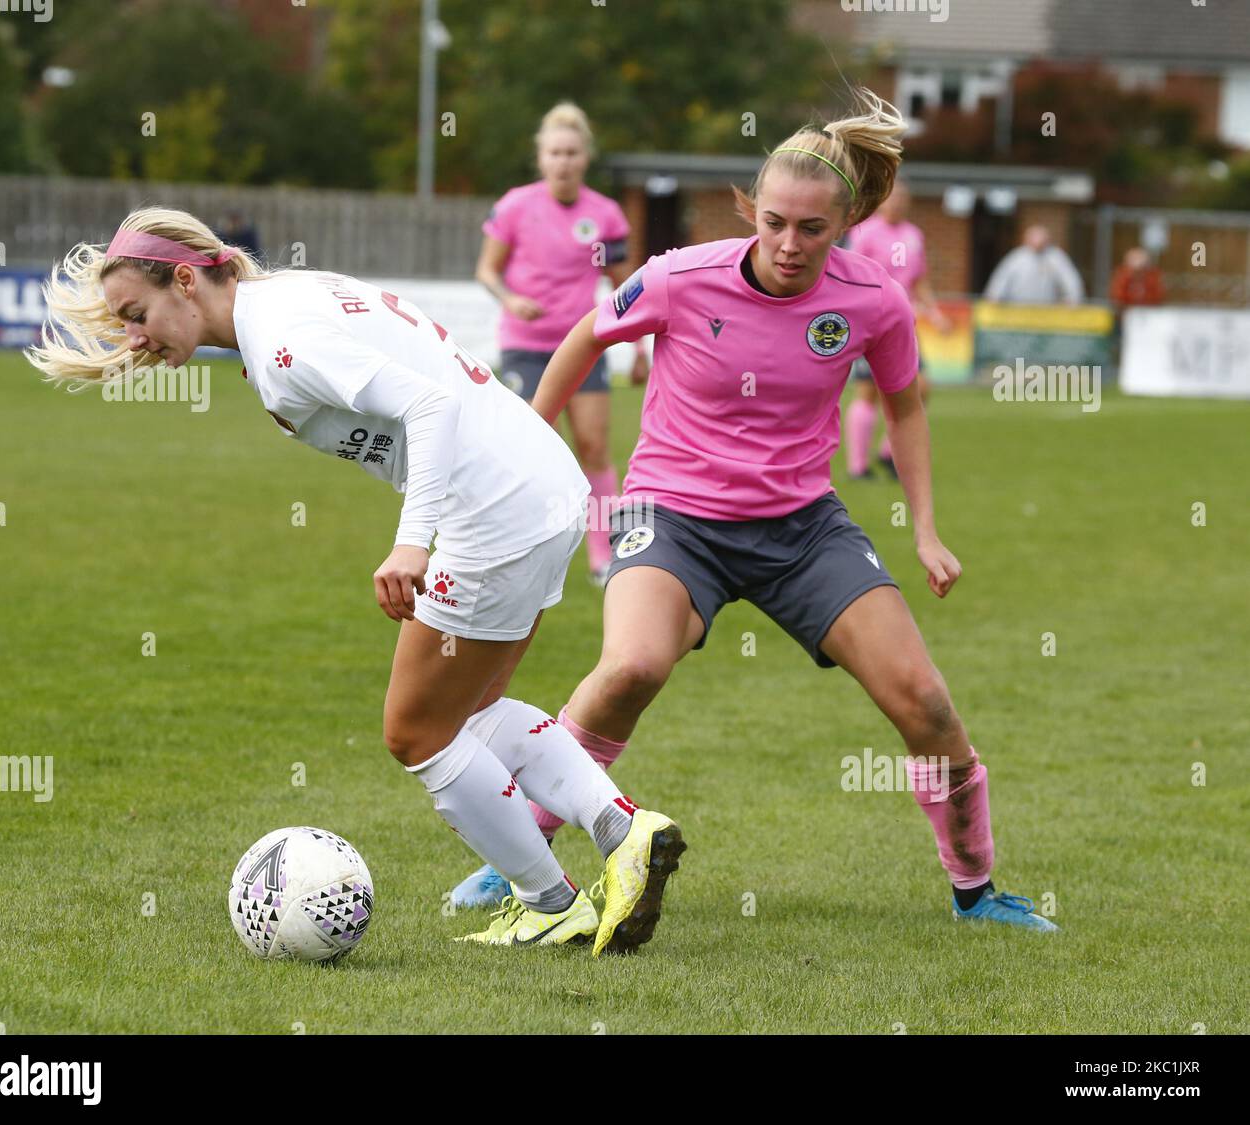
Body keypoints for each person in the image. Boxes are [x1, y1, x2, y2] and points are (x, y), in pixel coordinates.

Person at [450, 89, 1058, 933]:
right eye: (773, 222)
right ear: (749, 211)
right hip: (672, 517)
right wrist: (529, 443)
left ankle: (978, 891)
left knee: (923, 700)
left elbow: (906, 405)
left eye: (812, 229)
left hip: (803, 527)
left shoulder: (873, 299)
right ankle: (517, 855)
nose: (788, 244)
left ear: (843, 224)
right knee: (629, 670)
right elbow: (585, 338)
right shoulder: (677, 277)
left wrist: (923, 525)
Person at [25, 206, 685, 955]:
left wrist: (412, 544)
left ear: (185, 278)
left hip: (495, 505)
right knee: (471, 712)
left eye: (137, 314)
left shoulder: (279, 342)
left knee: (417, 732)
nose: (135, 336)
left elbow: (428, 405)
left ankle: (549, 901)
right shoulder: (286, 299)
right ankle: (625, 831)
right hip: (538, 485)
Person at [474, 102, 644, 592]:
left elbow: (624, 287)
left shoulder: (605, 215)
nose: (563, 161)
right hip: (525, 346)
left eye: (571, 152)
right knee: (528, 451)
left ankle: (603, 556)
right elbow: (487, 269)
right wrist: (511, 298)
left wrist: (637, 349)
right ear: (541, 157)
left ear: (585, 157)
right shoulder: (514, 206)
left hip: (583, 347)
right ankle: (516, 553)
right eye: (554, 152)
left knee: (592, 445)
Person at [842, 179, 949, 480]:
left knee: (920, 387)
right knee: (868, 392)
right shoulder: (864, 232)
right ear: (882, 201)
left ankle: (889, 452)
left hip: (905, 324)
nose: (897, 203)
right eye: (892, 198)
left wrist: (935, 312)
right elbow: (850, 272)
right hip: (872, 321)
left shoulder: (914, 235)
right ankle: (857, 466)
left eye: (902, 198)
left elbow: (920, 280)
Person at [983, 224, 1084, 305]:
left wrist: (1073, 298)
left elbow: (1070, 279)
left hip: (1046, 310)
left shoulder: (1056, 257)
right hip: (1017, 308)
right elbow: (1001, 278)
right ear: (1026, 239)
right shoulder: (1017, 257)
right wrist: (993, 296)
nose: (1037, 243)